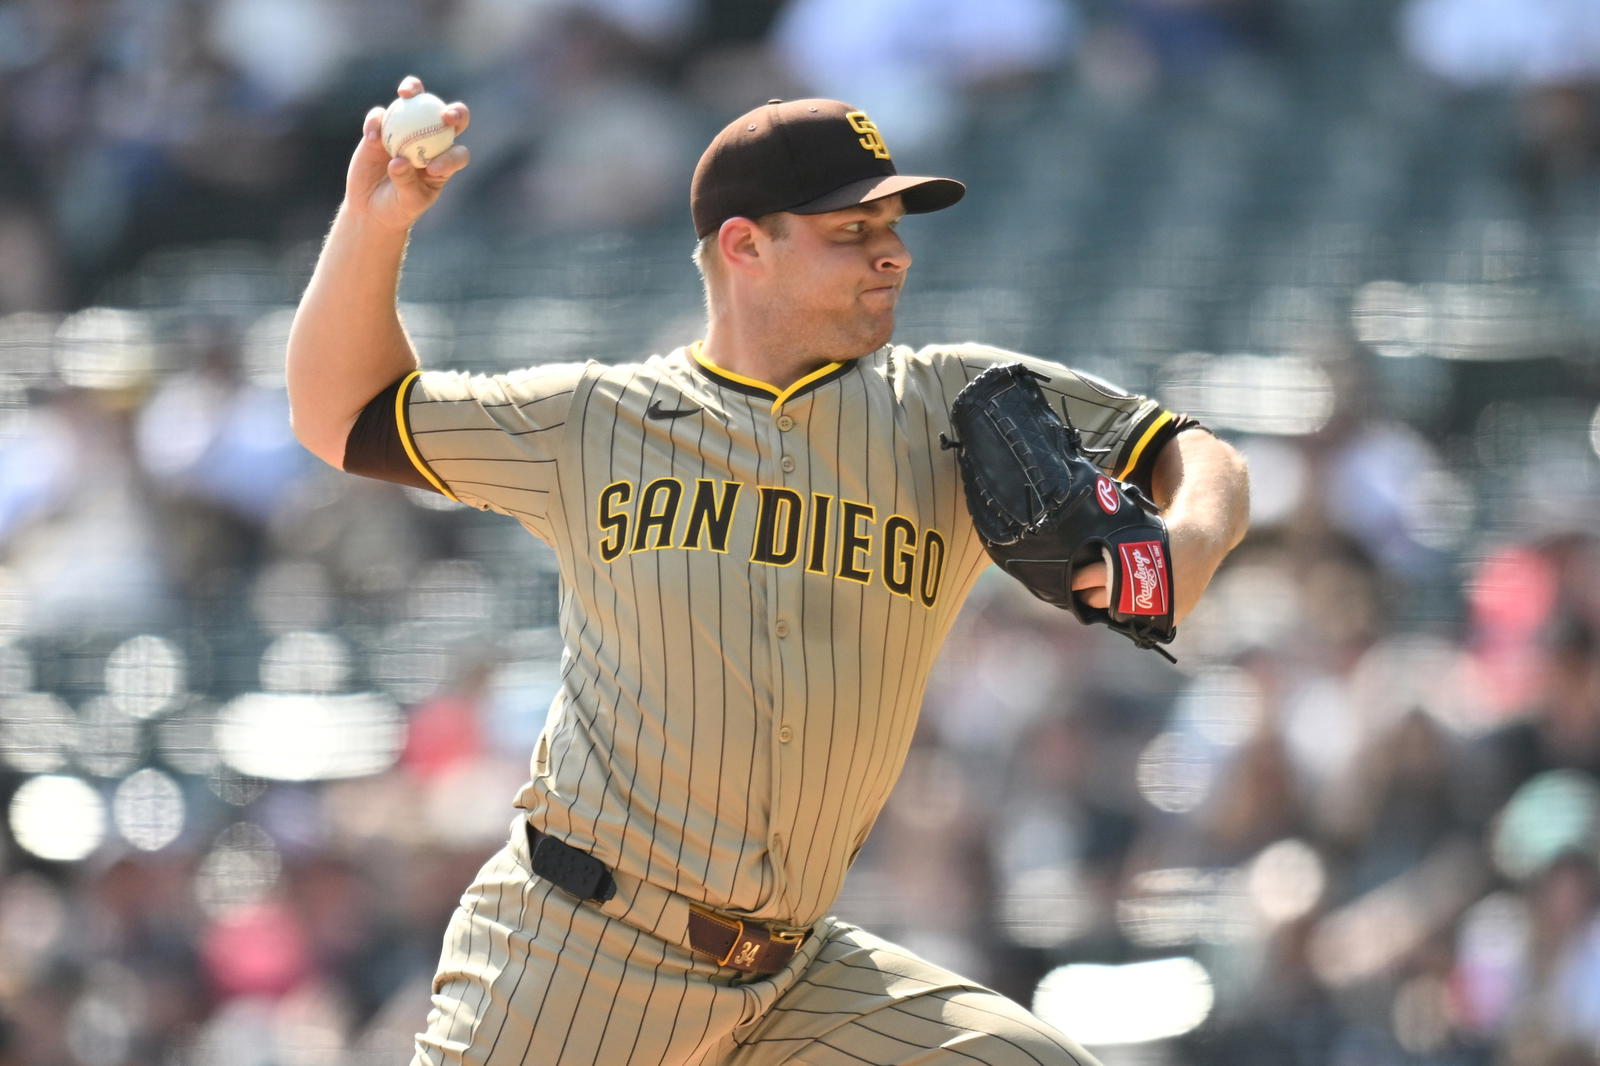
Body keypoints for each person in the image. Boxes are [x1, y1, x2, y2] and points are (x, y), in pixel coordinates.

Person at [286, 75, 1250, 1066]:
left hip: (797, 979)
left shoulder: (954, 405)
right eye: (851, 230)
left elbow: (1190, 448)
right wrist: (376, 226)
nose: (894, 252)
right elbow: (343, 414)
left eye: (895, 224)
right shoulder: (594, 420)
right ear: (745, 246)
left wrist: (1186, 541)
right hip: (577, 953)